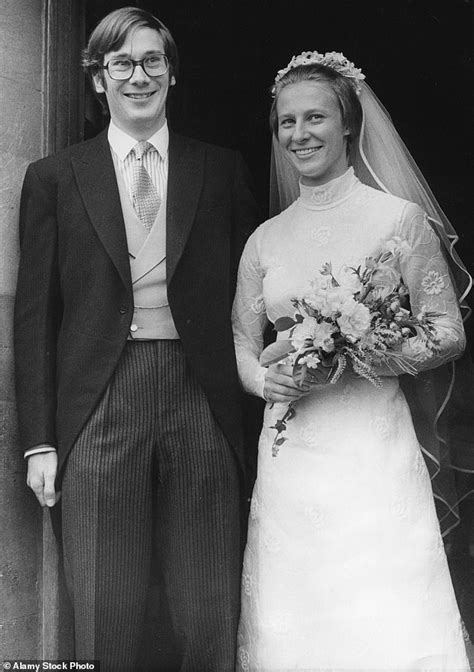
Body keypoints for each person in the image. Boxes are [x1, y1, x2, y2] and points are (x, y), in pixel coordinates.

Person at [14, 7, 259, 671]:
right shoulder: (56, 177)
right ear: (97, 79)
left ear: (172, 74)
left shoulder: (222, 170)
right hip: (99, 401)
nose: (139, 75)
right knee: (103, 602)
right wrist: (40, 439)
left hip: (201, 395)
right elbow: (36, 317)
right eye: (121, 63)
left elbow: (255, 300)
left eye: (153, 61)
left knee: (207, 601)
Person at [232, 51, 472, 670]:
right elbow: (241, 340)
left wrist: (363, 352)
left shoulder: (398, 219)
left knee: (378, 596)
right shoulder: (265, 239)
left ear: (347, 125)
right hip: (292, 446)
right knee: (300, 598)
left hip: (373, 443)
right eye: (286, 122)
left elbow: (447, 333)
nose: (299, 134)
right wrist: (267, 379)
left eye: (315, 118)